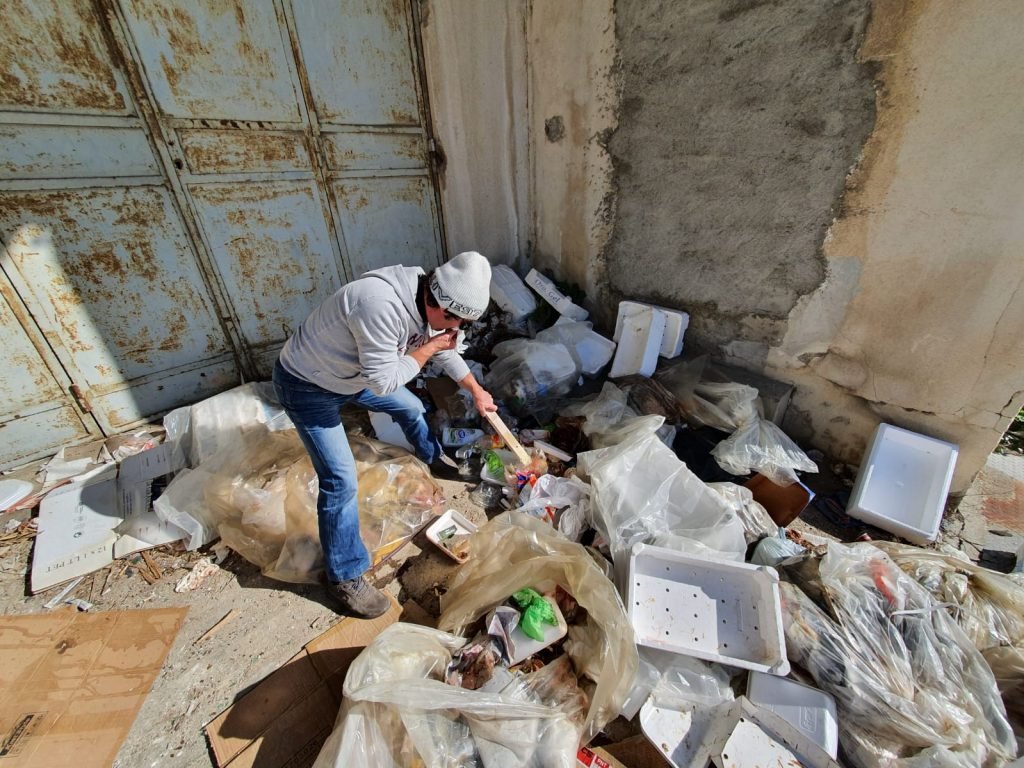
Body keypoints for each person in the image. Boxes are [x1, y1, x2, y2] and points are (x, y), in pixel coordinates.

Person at [272, 251, 497, 618]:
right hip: (308, 384)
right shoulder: (378, 304)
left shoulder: (430, 301)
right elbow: (384, 382)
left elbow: (446, 350)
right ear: (435, 302)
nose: (455, 329)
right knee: (340, 479)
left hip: (353, 375)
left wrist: (476, 390)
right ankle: (344, 576)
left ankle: (432, 458)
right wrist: (427, 349)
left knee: (411, 407)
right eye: (454, 320)